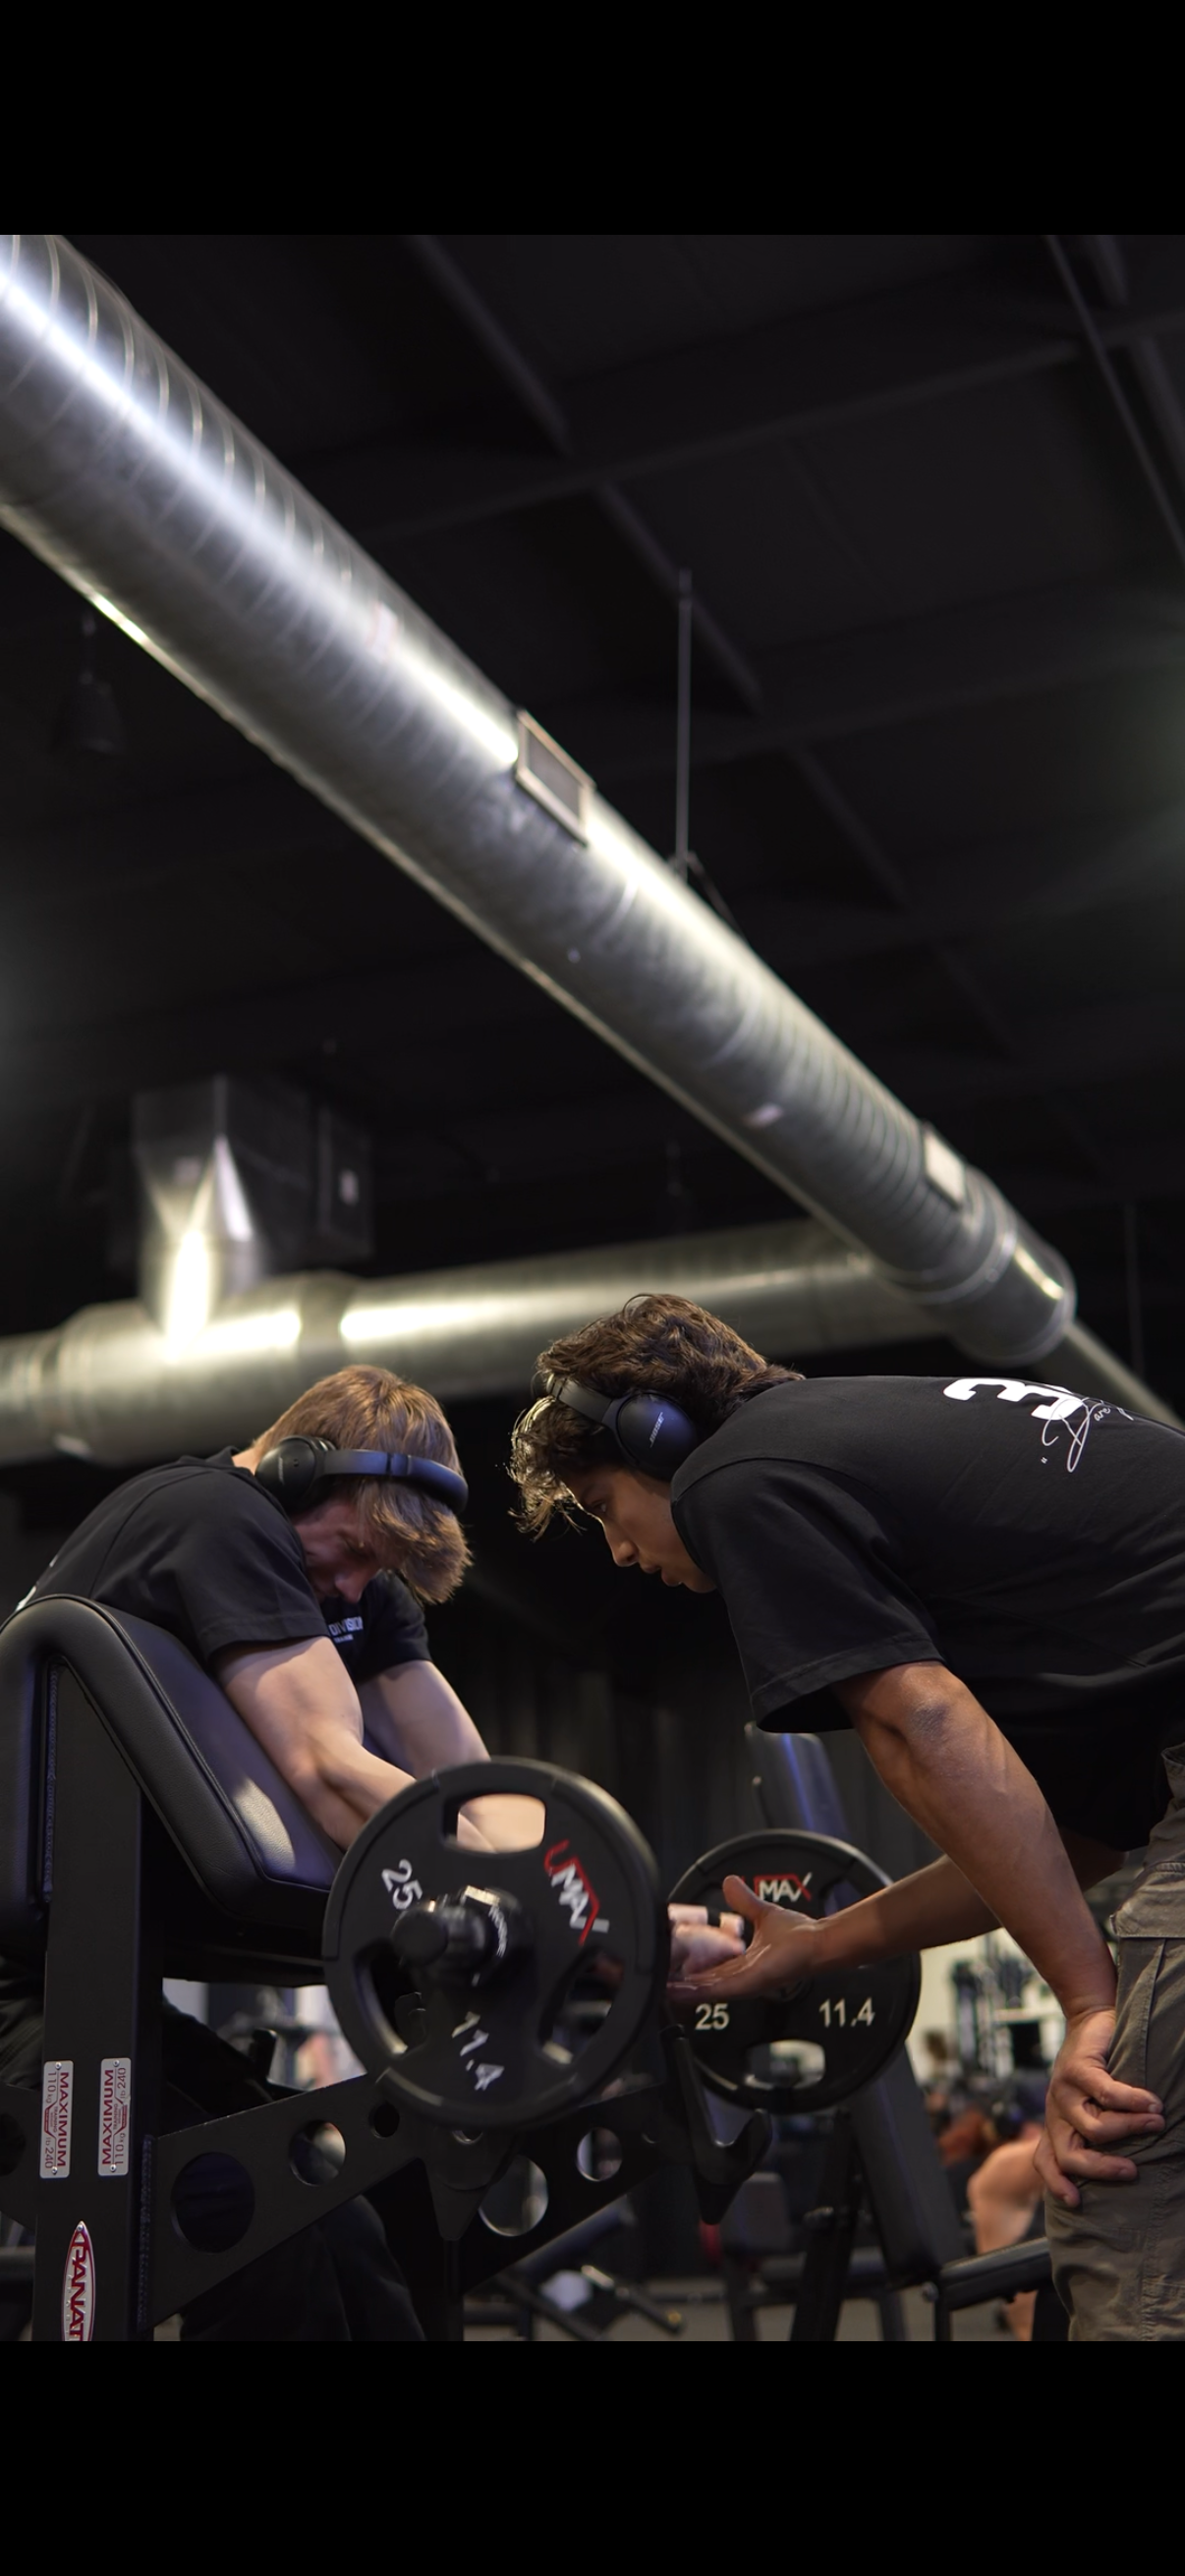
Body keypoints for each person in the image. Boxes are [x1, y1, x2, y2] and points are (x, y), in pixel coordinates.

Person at [0, 1361, 736, 2338]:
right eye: (349, 1548)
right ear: (297, 1468)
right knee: (254, 2223)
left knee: (337, 2216)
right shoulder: (220, 1516)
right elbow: (330, 1769)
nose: (353, 1583)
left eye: (374, 1570)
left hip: (91, 1995)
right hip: (21, 1998)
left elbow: (483, 1795)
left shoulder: (352, 1580)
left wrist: (608, 1916)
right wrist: (584, 1924)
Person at [509, 1295, 1185, 2343]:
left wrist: (1088, 2005)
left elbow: (917, 1723)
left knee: (1122, 2199)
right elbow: (1074, 1838)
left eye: (601, 1505)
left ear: (659, 1441)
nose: (618, 1553)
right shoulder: (873, 1455)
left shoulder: (739, 1478)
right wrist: (825, 1945)